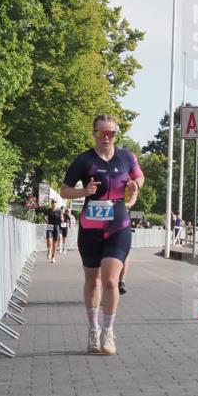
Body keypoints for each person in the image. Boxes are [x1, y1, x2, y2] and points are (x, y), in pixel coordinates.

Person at [60, 115, 143, 355]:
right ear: (94, 133)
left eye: (112, 133)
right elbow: (64, 190)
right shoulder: (84, 159)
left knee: (109, 281)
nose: (107, 138)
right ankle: (93, 329)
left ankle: (108, 333)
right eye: (102, 133)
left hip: (118, 224)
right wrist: (84, 191)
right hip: (90, 227)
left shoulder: (126, 157)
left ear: (116, 134)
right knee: (93, 281)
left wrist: (135, 186)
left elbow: (139, 177)